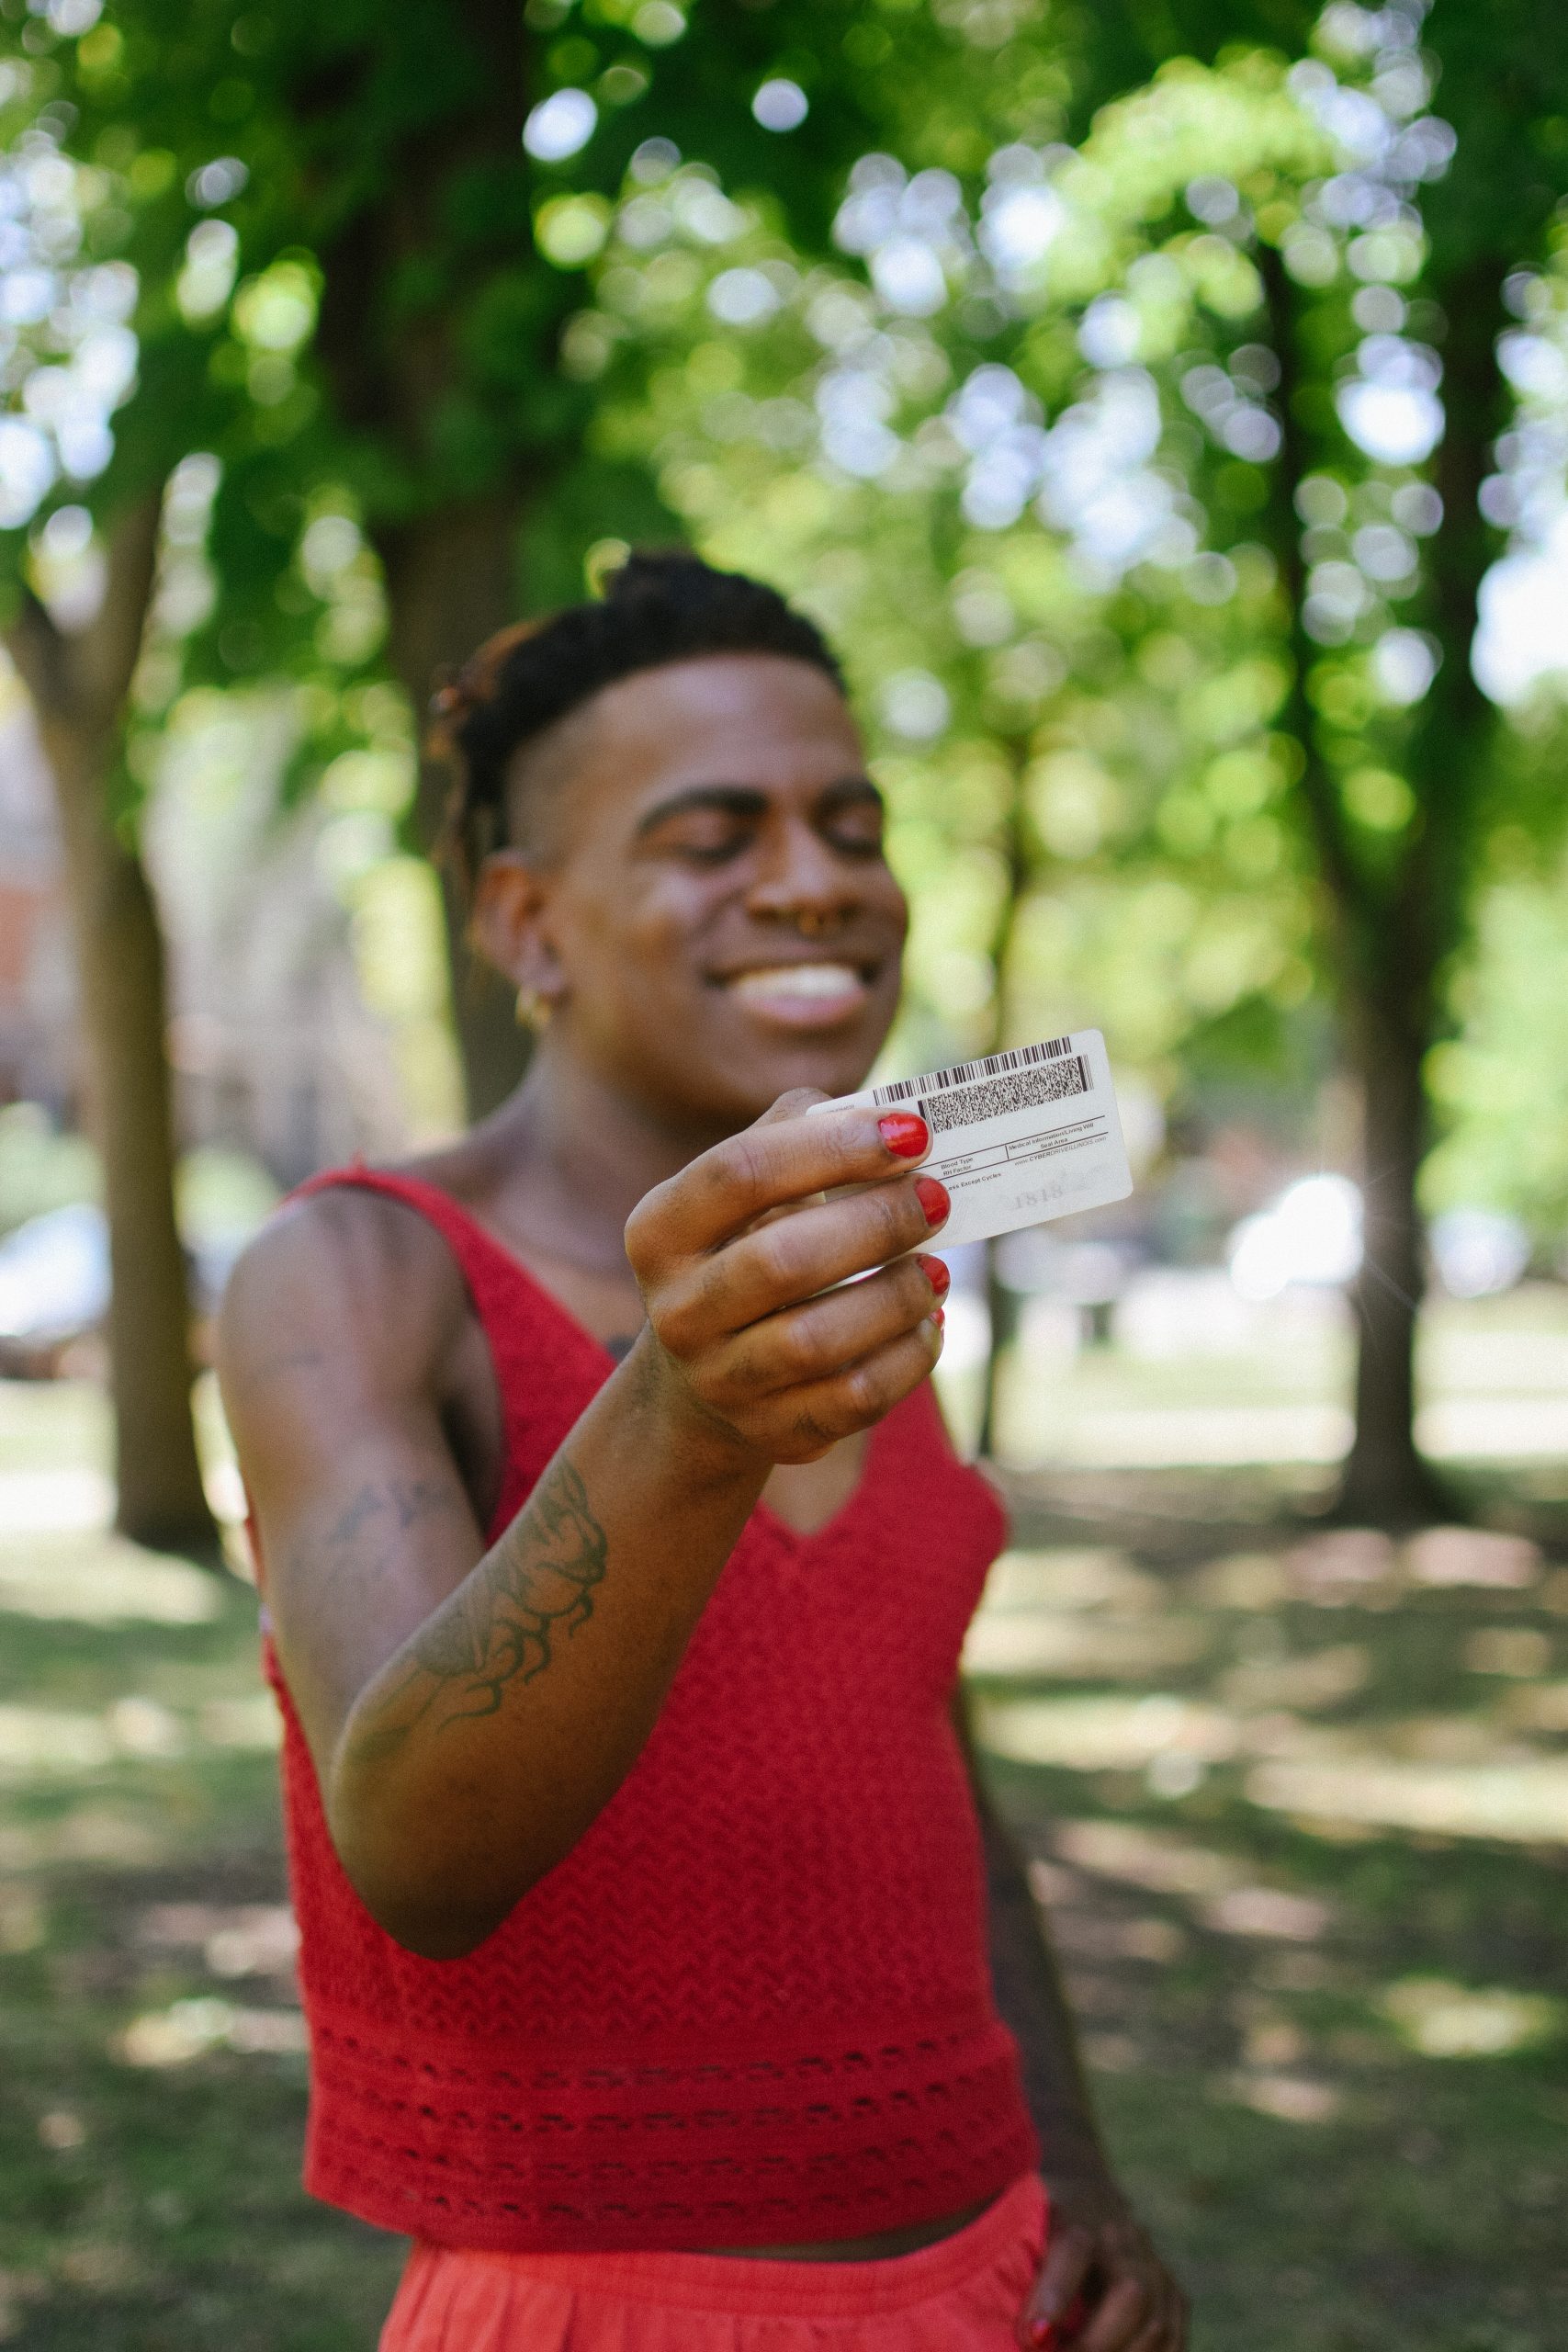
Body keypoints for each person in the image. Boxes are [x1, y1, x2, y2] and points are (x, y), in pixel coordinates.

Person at [219, 554, 1186, 2352]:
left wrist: (1070, 2166)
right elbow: (412, 1844)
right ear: (526, 924)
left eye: (848, 822)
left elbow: (917, 1749)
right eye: (711, 836)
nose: (814, 882)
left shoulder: (864, 1272)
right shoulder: (352, 1275)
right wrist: (677, 1412)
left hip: (996, 2285)